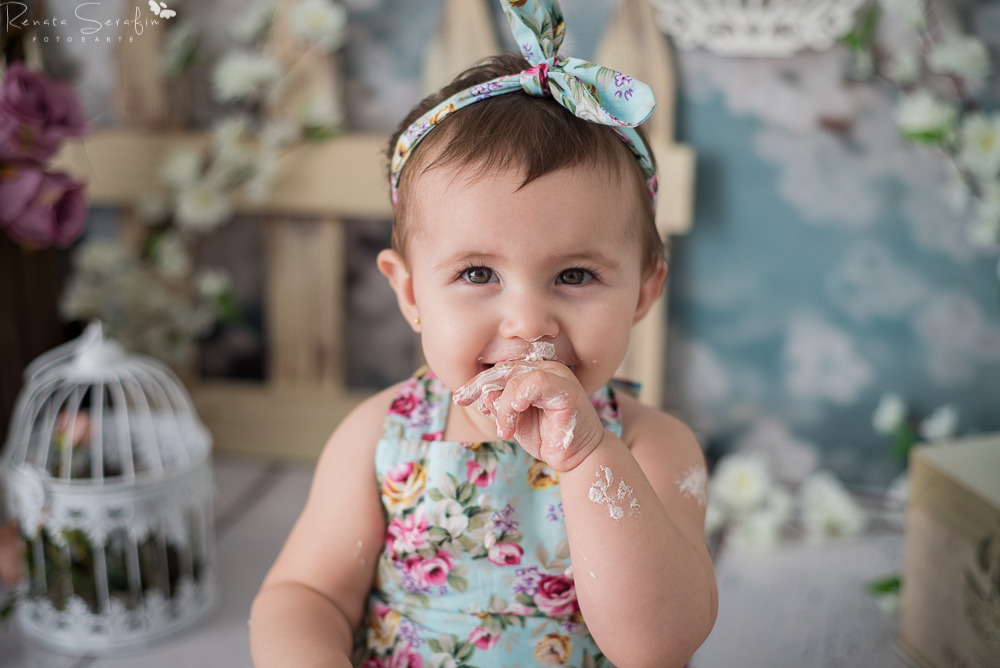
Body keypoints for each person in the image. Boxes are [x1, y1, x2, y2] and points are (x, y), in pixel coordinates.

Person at [250, 1, 717, 666]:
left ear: (643, 291)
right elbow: (306, 594)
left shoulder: (650, 449)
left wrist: (588, 457)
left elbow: (659, 646)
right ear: (411, 293)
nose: (528, 322)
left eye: (576, 275)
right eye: (477, 273)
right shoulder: (381, 438)